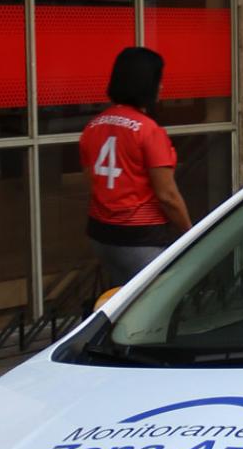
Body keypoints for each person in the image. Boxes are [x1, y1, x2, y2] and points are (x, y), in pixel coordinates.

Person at [79, 47, 192, 289]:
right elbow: (168, 196)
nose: (161, 87)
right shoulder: (148, 130)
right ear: (146, 84)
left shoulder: (93, 126)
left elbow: (92, 181)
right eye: (158, 80)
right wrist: (189, 232)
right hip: (141, 240)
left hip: (101, 236)